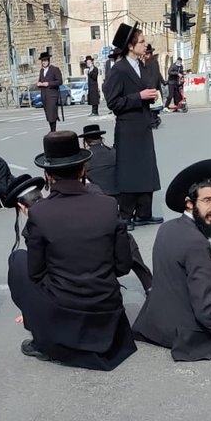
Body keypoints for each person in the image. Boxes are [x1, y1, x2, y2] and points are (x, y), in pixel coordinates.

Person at [8, 131, 136, 370]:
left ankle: (43, 335)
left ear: (47, 175)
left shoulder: (40, 213)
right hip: (105, 305)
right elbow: (123, 266)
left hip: (63, 306)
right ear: (83, 171)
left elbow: (36, 273)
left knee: (18, 260)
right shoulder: (108, 205)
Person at [132, 160, 211, 360]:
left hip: (156, 324)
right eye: (207, 200)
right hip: (188, 333)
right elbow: (206, 311)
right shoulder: (196, 244)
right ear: (190, 203)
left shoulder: (166, 228)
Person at [80, 123, 153, 293]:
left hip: (95, 205)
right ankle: (148, 283)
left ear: (85, 142)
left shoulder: (84, 160)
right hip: (117, 200)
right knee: (127, 243)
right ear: (101, 138)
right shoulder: (113, 153)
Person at [103, 23, 163, 229]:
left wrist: (150, 96)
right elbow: (113, 102)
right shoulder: (119, 70)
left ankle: (144, 212)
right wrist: (139, 96)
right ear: (130, 46)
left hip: (143, 125)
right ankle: (125, 215)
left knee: (147, 169)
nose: (145, 45)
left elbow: (145, 90)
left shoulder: (143, 66)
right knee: (129, 172)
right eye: (141, 41)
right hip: (128, 128)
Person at [37, 51, 63, 132]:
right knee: (48, 114)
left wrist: (48, 83)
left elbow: (59, 81)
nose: (44, 62)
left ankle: (53, 130)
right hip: (44, 95)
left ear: (48, 61)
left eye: (45, 60)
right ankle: (51, 129)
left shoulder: (54, 69)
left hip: (52, 95)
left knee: (52, 113)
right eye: (42, 61)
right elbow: (40, 80)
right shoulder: (41, 71)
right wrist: (39, 84)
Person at [142, 44, 165, 129]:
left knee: (153, 109)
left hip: (152, 88)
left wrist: (152, 88)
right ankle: (154, 121)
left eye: (146, 54)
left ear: (150, 54)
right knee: (151, 109)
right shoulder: (146, 62)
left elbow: (155, 76)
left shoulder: (153, 62)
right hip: (149, 88)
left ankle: (154, 122)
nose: (145, 55)